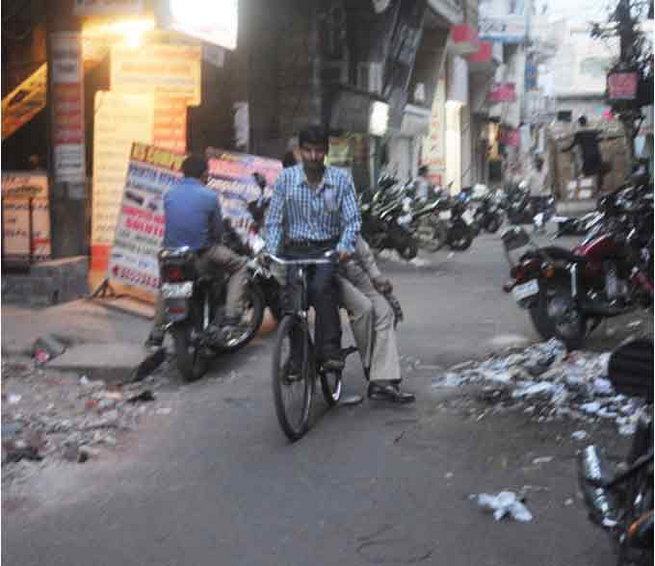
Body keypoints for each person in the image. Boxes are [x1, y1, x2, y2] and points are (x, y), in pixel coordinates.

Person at [265, 125, 360, 370]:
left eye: (319, 151)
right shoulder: (286, 179)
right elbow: (274, 219)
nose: (314, 157)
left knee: (320, 289)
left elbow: (352, 220)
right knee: (290, 302)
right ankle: (298, 356)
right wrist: (272, 252)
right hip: (295, 250)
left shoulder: (341, 180)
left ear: (326, 151)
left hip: (327, 250)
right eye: (308, 151)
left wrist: (345, 245)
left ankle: (330, 351)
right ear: (299, 152)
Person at [146, 155, 249, 347]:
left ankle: (156, 333)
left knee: (167, 285)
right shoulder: (209, 196)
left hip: (171, 256)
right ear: (204, 175)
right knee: (240, 265)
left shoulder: (169, 194)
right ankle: (231, 316)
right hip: (200, 255)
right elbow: (217, 232)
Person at [338, 235, 415, 403]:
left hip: (351, 269)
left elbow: (359, 245)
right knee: (364, 308)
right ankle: (371, 367)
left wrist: (376, 276)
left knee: (384, 310)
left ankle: (382, 379)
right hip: (326, 272)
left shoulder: (346, 214)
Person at [561, 115, 611, 194]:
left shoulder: (579, 133)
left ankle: (586, 191)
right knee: (599, 171)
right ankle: (599, 189)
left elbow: (573, 144)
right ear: (586, 122)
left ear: (579, 123)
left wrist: (564, 149)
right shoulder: (592, 131)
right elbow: (600, 136)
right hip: (597, 154)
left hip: (587, 156)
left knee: (586, 172)